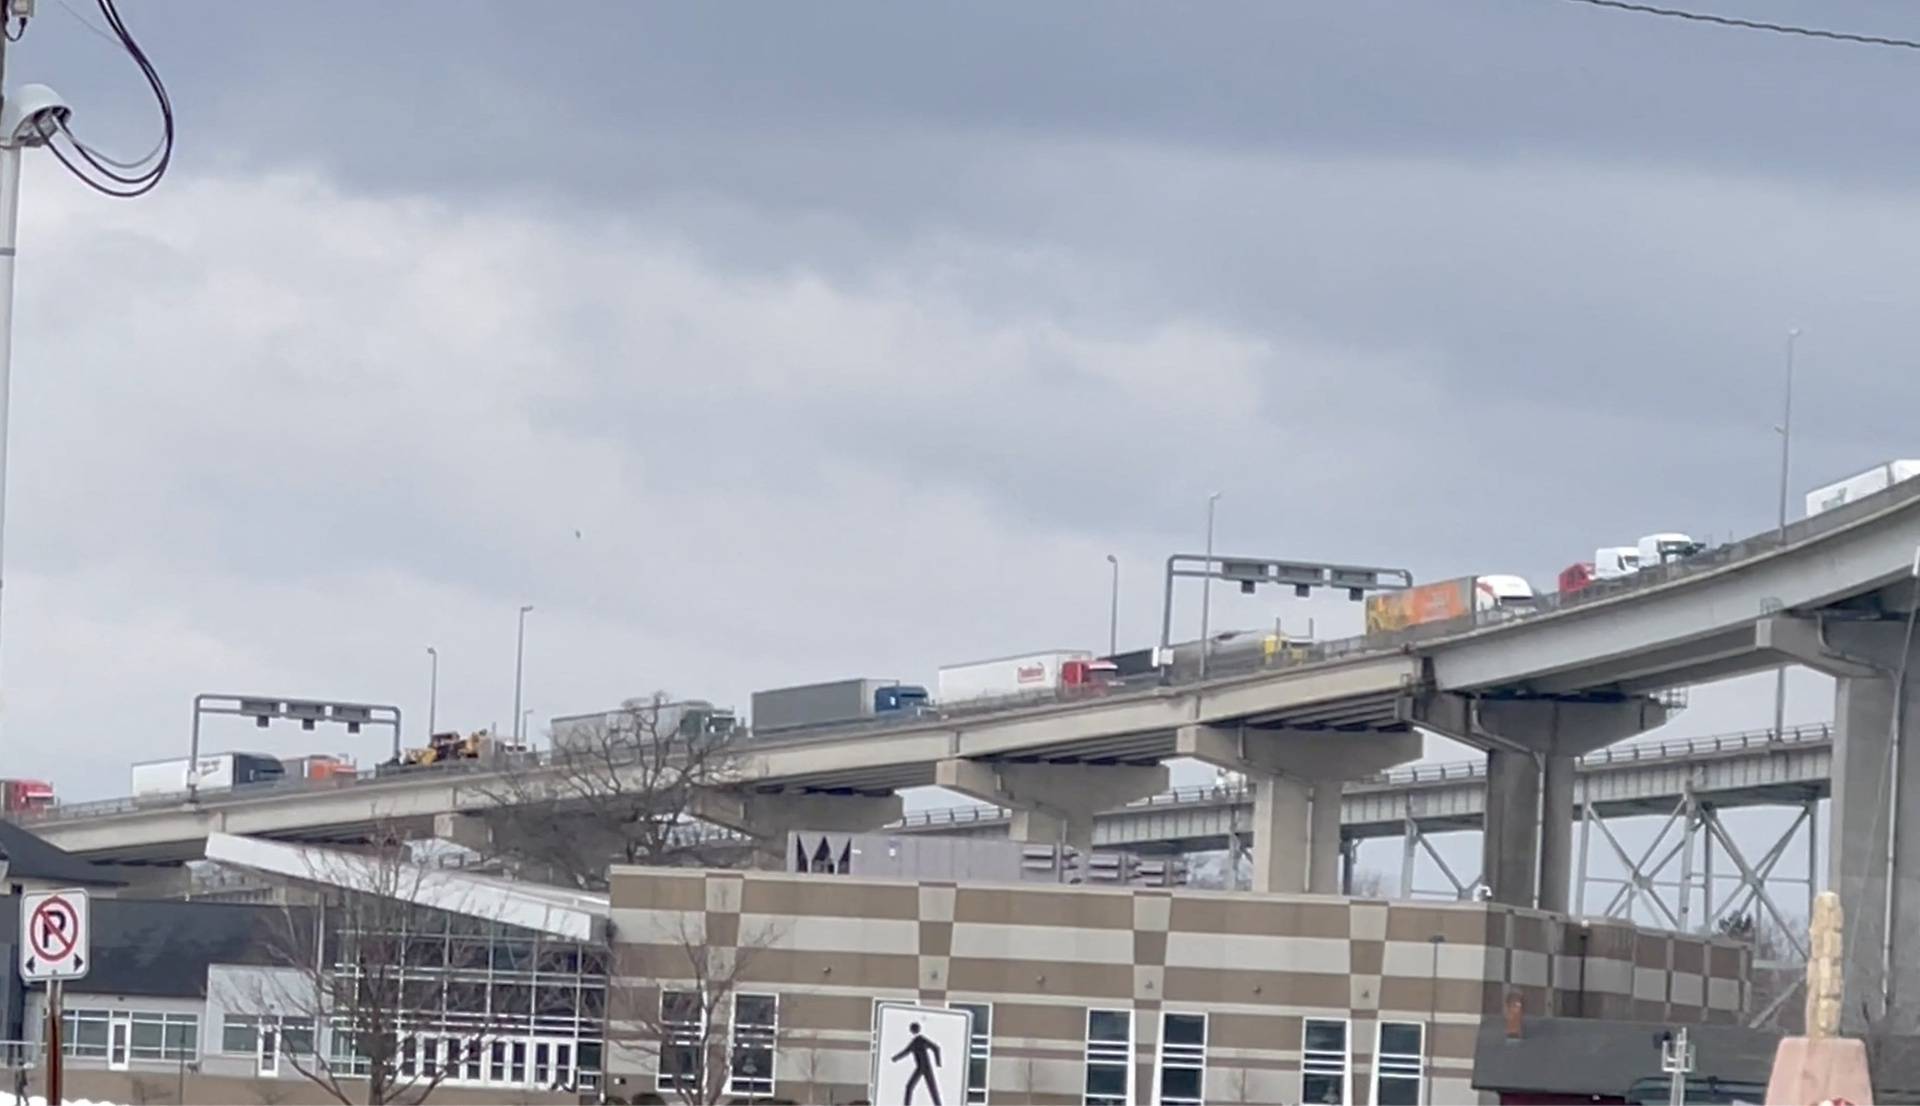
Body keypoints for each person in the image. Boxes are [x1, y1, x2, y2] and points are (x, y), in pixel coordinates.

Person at [890, 1021, 943, 1105]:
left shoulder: (921, 1040)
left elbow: (936, 1048)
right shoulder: (914, 1042)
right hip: (920, 1068)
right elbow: (906, 1052)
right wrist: (895, 1058)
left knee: (932, 1090)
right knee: (910, 1087)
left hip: (926, 1068)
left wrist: (938, 1062)